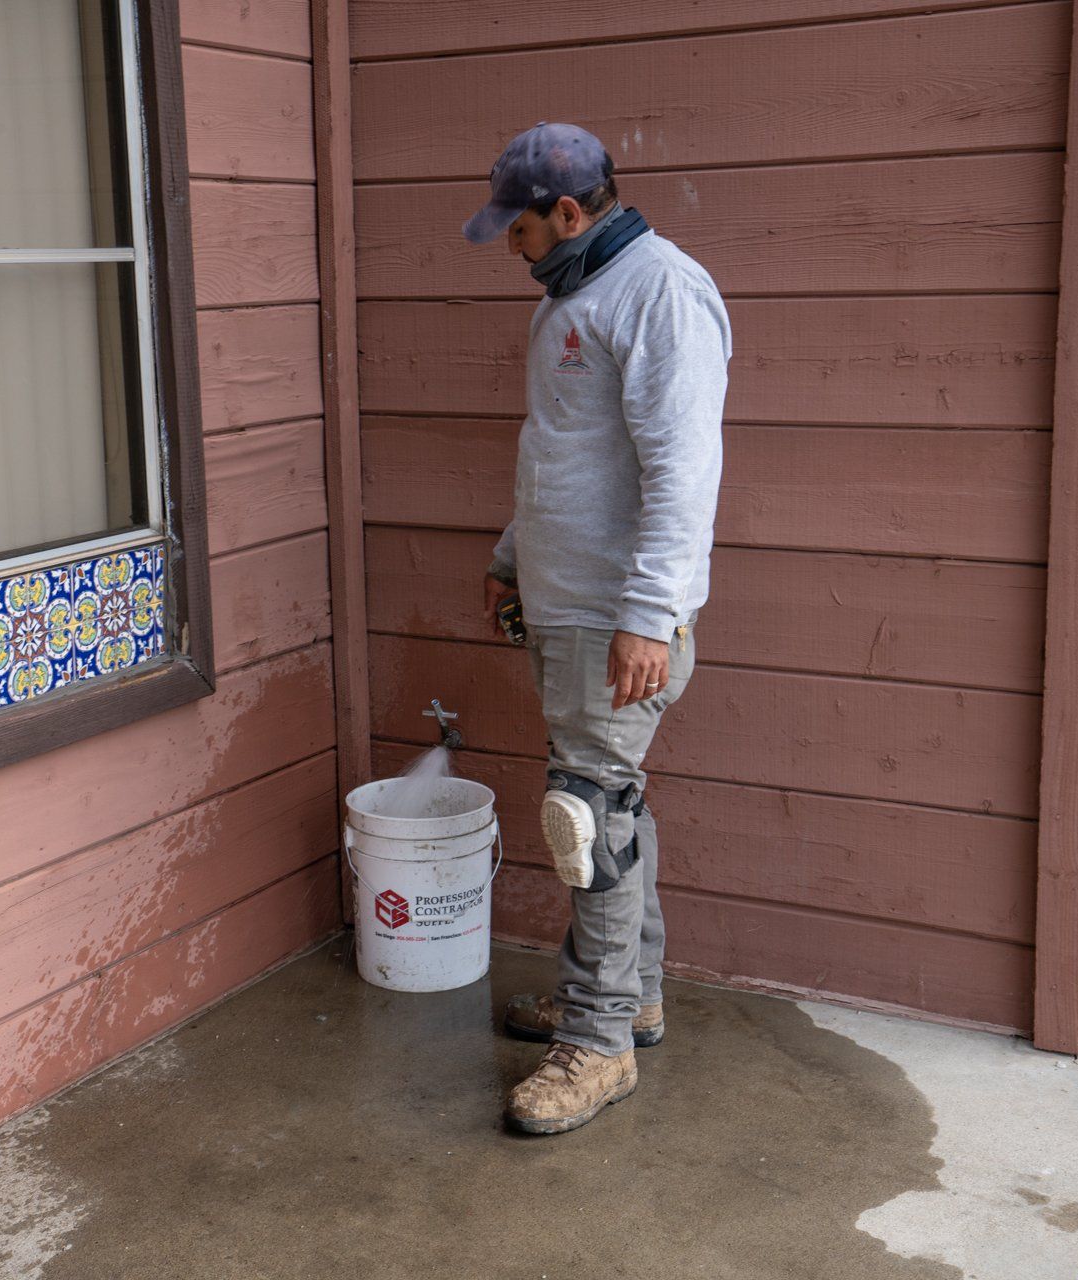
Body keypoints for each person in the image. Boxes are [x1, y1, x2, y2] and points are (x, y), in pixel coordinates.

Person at [464, 123, 731, 1135]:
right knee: (614, 800)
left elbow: (683, 470)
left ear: (569, 212)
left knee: (587, 817)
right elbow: (561, 453)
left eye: (520, 225)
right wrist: (509, 557)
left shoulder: (661, 294)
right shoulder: (569, 300)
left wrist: (650, 614)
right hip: (568, 605)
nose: (511, 243)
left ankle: (597, 1040)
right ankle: (635, 995)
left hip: (620, 616)